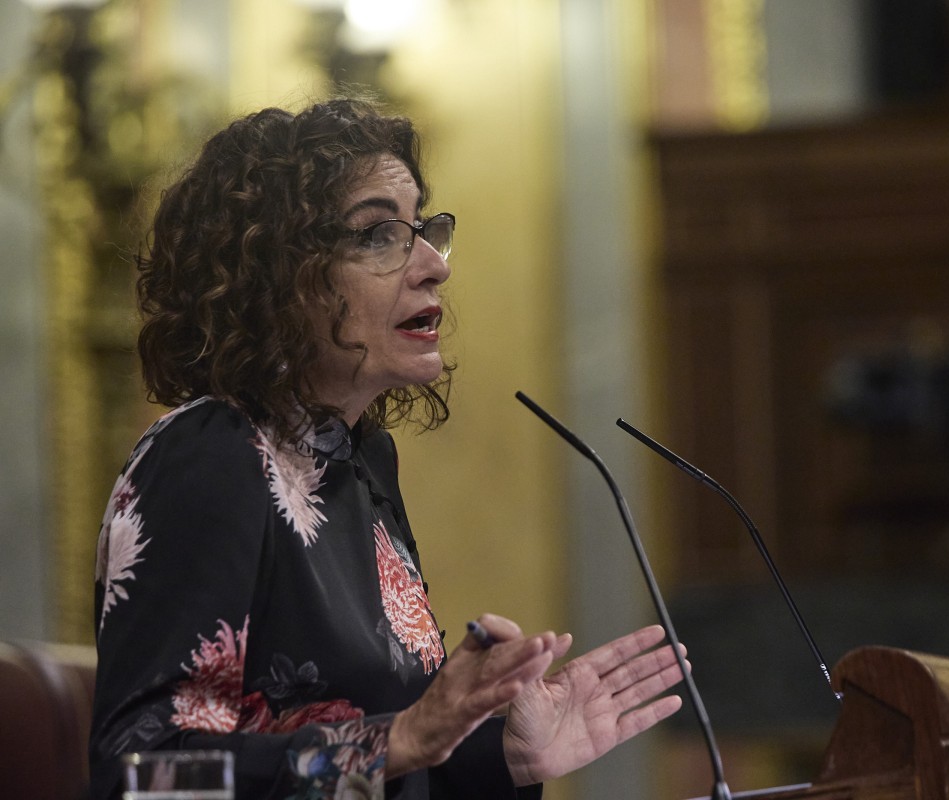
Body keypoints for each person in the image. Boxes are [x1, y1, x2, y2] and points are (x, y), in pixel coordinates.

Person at [89, 97, 685, 800]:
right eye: (377, 234)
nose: (434, 265)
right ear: (276, 274)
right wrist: (394, 739)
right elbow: (139, 778)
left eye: (424, 229)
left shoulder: (361, 462)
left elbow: (387, 772)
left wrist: (508, 758)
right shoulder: (209, 455)